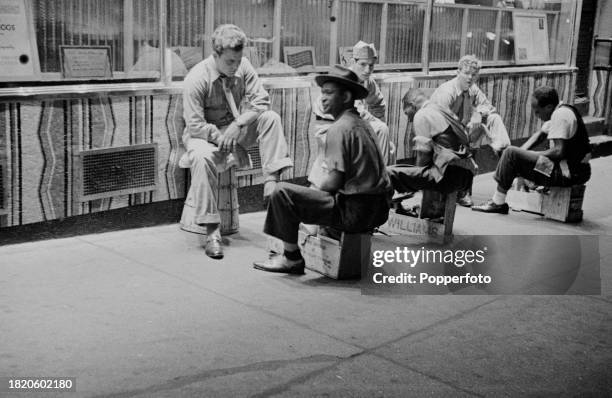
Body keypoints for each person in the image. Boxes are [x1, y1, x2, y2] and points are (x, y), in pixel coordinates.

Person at [253, 65, 393, 274]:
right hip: (378, 211)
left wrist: (309, 197)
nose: (324, 98)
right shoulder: (364, 124)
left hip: (355, 212)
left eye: (329, 93)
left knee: (281, 193)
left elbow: (334, 183)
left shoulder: (339, 128)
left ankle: (291, 259)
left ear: (346, 96)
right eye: (322, 93)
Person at [180, 24, 293, 259]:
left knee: (270, 118)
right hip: (205, 135)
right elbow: (195, 125)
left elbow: (262, 101)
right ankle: (212, 232)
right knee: (201, 158)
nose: (235, 66)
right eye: (230, 62)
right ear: (216, 55)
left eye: (238, 60)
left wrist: (239, 125)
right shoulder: (196, 78)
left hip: (233, 128)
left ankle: (271, 184)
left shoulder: (243, 66)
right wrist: (224, 138)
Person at [472, 86, 591, 214]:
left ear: (549, 107)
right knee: (512, 154)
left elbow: (558, 151)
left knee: (511, 153)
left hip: (567, 174)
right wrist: (520, 154)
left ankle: (498, 202)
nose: (536, 115)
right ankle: (511, 188)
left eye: (538, 111)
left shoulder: (560, 116)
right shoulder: (561, 110)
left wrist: (522, 154)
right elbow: (540, 135)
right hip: (572, 170)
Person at [430, 55, 511, 207]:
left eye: (474, 75)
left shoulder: (473, 89)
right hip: (443, 134)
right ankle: (463, 190)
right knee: (468, 138)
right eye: (466, 73)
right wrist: (463, 135)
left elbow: (488, 107)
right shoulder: (447, 92)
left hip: (462, 132)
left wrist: (479, 113)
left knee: (493, 119)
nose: (470, 78)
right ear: (457, 71)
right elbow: (439, 123)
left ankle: (506, 156)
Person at [387, 88, 475, 200]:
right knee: (405, 171)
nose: (409, 119)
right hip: (465, 174)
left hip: (448, 175)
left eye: (406, 113)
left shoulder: (422, 114)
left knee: (389, 172)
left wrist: (415, 183)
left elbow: (424, 155)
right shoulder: (441, 108)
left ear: (412, 105)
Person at [313, 41, 392, 164]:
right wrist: (380, 130)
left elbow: (378, 104)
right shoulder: (345, 79)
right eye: (363, 64)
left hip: (351, 126)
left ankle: (380, 176)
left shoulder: (367, 81)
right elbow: (356, 114)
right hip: (329, 128)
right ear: (353, 62)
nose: (367, 70)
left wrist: (383, 134)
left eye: (371, 65)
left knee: (384, 137)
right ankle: (381, 178)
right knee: (381, 130)